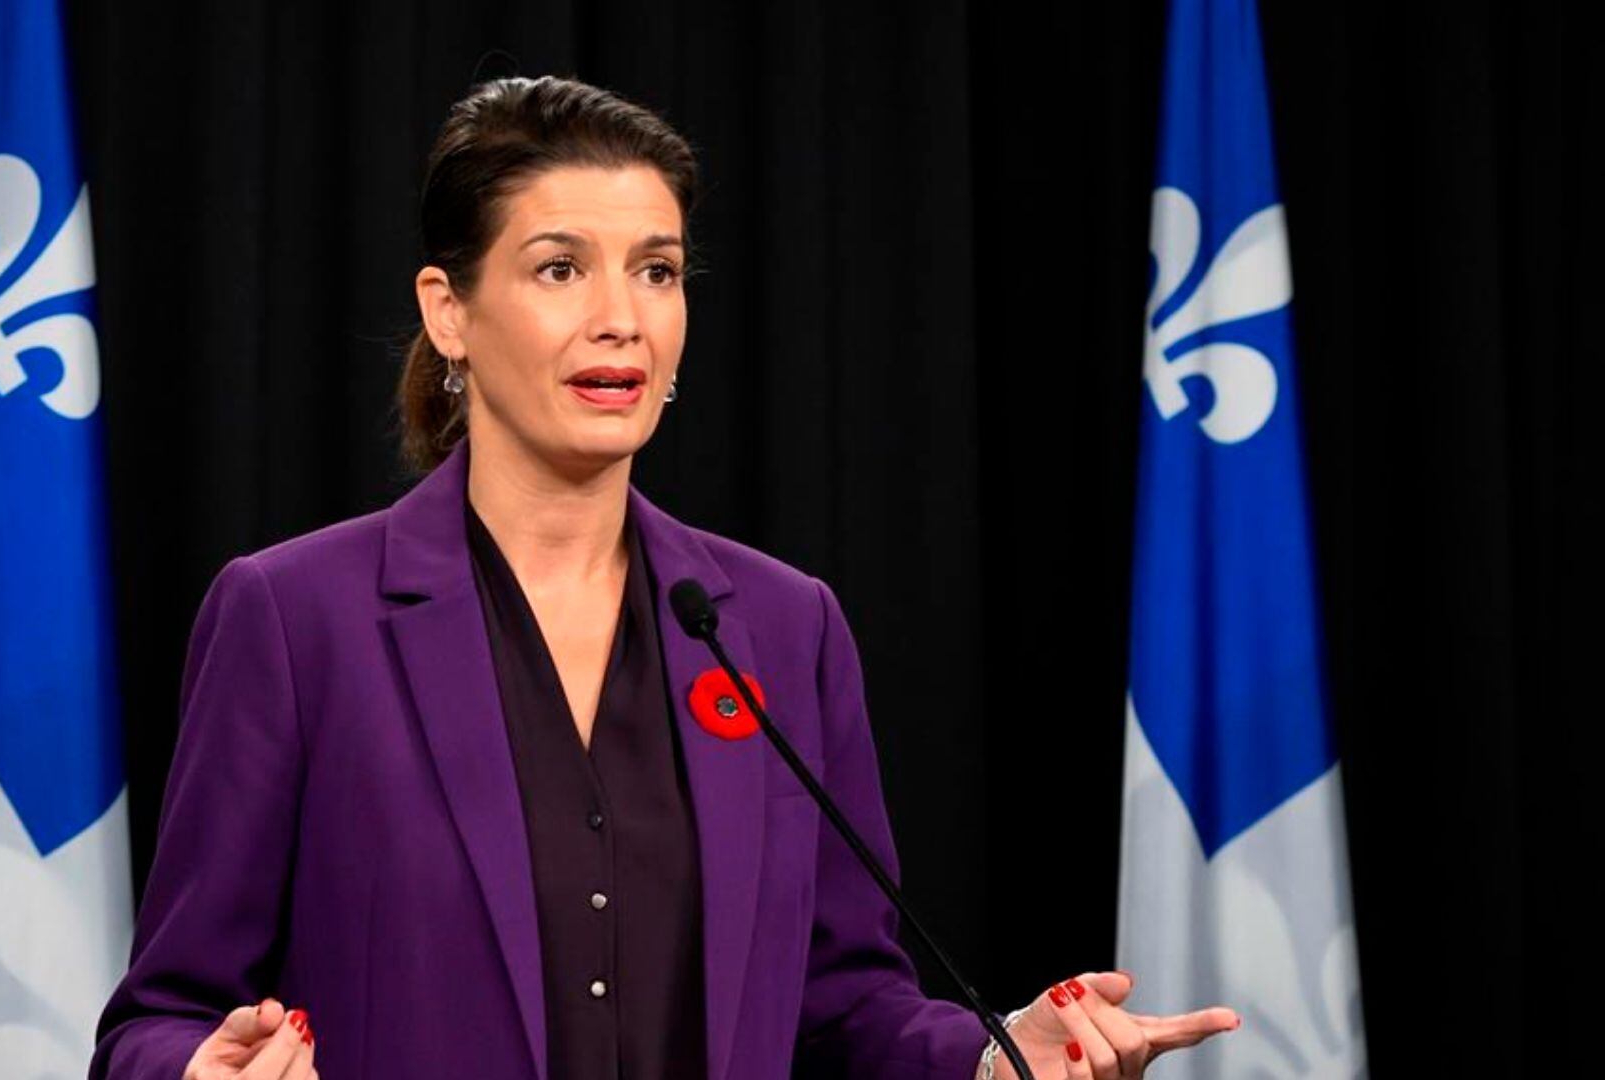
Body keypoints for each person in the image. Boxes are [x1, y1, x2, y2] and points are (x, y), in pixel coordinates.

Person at [88, 75, 1240, 1080]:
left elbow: (844, 1008)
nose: (620, 319)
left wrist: (991, 1057)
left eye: (657, 271)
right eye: (560, 269)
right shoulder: (296, 621)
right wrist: (193, 1070)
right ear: (450, 312)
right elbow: (160, 1017)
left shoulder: (784, 628)